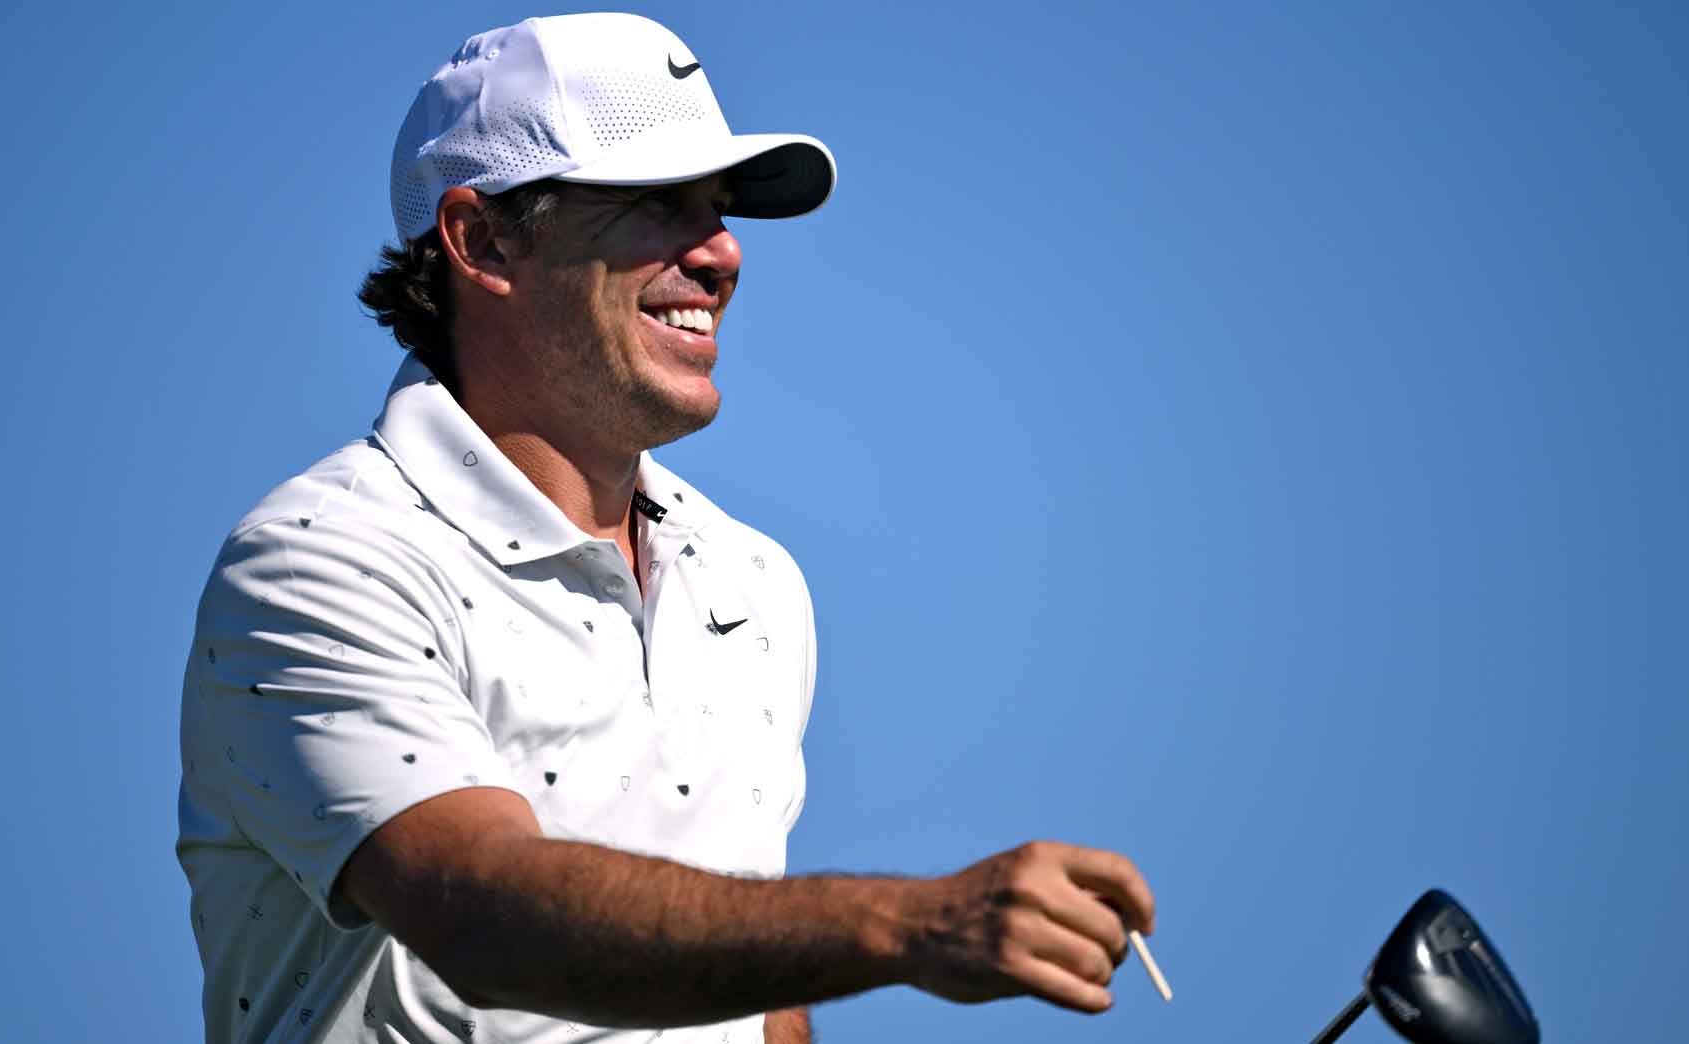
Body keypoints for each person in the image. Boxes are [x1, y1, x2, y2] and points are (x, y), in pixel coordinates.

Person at [177, 13, 1156, 1043]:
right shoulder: (319, 560)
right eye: (656, 205)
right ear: (483, 239)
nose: (723, 253)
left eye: (719, 209)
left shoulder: (751, 580)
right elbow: (480, 917)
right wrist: (909, 924)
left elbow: (754, 995)